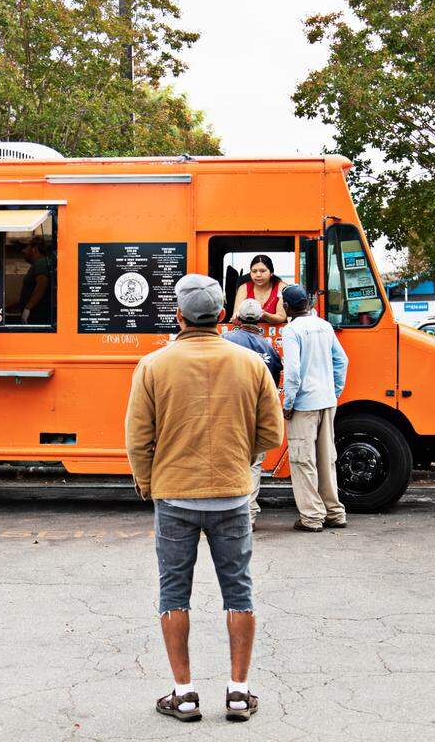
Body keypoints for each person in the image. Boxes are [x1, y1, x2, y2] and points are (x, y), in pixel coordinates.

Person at [126, 274, 283, 723]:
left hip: (174, 495)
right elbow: (272, 433)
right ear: (221, 315)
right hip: (232, 495)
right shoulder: (251, 363)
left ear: (178, 316)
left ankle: (184, 694)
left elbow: (138, 440)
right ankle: (239, 692)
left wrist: (149, 484)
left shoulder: (153, 366)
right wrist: (239, 460)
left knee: (173, 592)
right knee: (239, 590)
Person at [281, 284, 349, 532]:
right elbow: (342, 361)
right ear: (308, 304)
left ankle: (311, 517)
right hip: (327, 401)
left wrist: (288, 403)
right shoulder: (324, 326)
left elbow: (293, 372)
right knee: (326, 458)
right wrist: (335, 392)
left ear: (286, 307)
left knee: (303, 460)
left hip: (304, 405)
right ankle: (334, 512)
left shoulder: (291, 330)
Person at [222, 298, 284, 528]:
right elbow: (273, 384)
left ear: (237, 318)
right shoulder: (268, 348)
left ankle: (230, 510)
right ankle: (248, 515)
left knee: (229, 459)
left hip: (229, 410)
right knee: (254, 462)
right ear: (260, 319)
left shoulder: (226, 340)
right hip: (256, 412)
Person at [229, 255, 286, 325]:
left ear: (271, 273)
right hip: (248, 330)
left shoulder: (281, 287)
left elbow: (281, 317)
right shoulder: (243, 288)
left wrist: (264, 315)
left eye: (263, 271)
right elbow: (236, 314)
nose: (258, 275)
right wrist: (236, 318)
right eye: (254, 271)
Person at [9, 236, 53, 324]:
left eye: (26, 247)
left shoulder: (41, 263)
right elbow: (28, 296)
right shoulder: (38, 265)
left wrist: (27, 308)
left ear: (35, 248)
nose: (23, 251)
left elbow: (42, 285)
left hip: (38, 317)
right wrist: (9, 307)